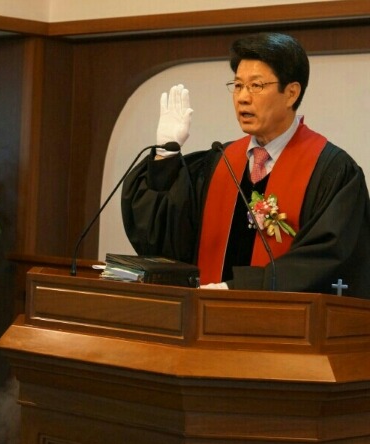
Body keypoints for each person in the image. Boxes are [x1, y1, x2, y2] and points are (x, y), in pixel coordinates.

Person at [120, 32, 370, 298]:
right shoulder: (219, 162)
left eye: (256, 86)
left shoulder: (332, 171)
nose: (242, 97)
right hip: (203, 316)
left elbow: (325, 258)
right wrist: (165, 156)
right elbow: (166, 238)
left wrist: (240, 287)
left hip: (283, 322)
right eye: (238, 85)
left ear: (291, 93)